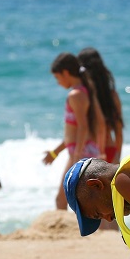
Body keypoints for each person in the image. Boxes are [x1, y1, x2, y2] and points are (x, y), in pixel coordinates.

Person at [42, 52, 102, 210]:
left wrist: (77, 155)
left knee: (62, 200)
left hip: (81, 153)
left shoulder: (76, 95)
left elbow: (83, 127)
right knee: (83, 200)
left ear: (66, 73)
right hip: (82, 150)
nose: (58, 82)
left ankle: (64, 232)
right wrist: (55, 152)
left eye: (58, 78)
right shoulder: (84, 91)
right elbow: (73, 133)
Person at [77, 47, 124, 164]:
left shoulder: (83, 96)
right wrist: (117, 156)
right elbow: (118, 131)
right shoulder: (112, 95)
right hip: (110, 149)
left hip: (89, 151)